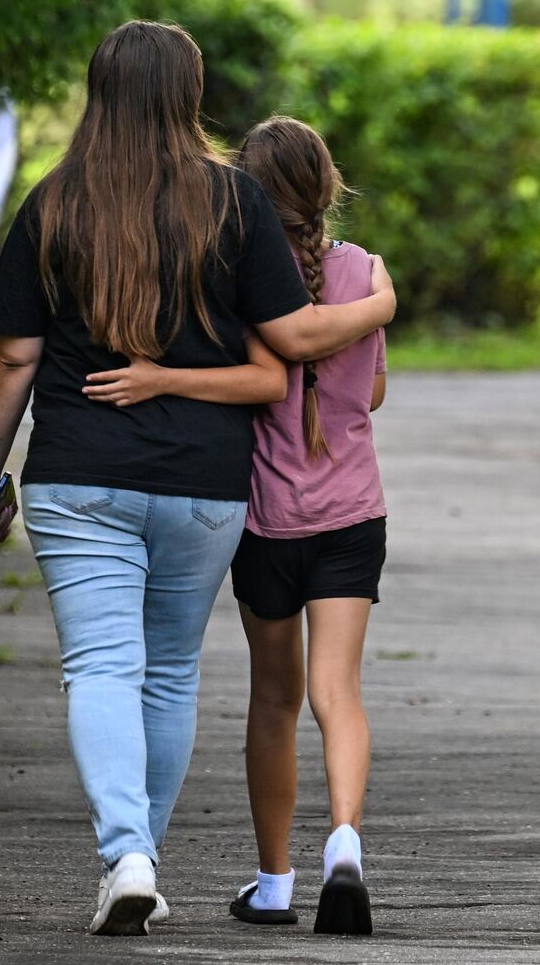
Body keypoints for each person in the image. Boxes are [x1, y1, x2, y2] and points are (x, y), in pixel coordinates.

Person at [0, 21, 395, 938]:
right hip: (206, 485)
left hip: (78, 474)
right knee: (166, 673)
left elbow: (13, 358)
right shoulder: (235, 203)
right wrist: (380, 304)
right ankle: (139, 859)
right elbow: (288, 342)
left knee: (99, 665)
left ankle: (129, 855)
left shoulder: (54, 203)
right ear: (189, 95)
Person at [225, 117, 388, 936]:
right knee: (338, 692)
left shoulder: (241, 276)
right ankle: (346, 845)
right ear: (329, 188)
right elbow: (375, 393)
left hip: (268, 521)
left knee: (274, 699)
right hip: (354, 514)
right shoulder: (362, 272)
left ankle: (275, 881)